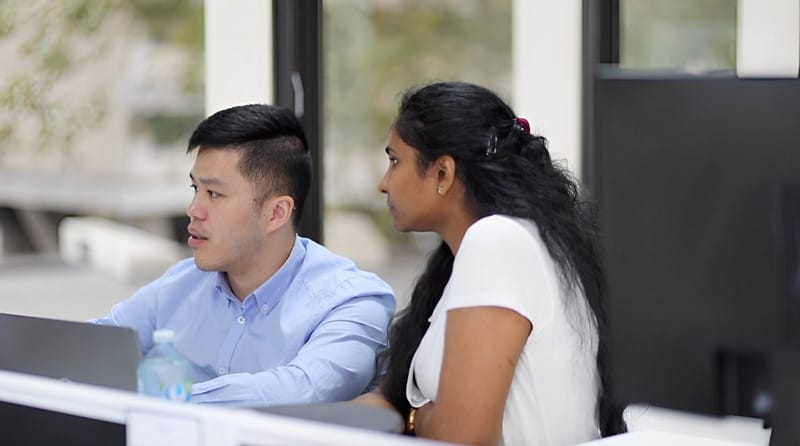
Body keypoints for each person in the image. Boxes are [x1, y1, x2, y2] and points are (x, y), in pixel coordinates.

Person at [354, 82, 626, 445]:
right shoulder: (477, 251)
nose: (383, 184)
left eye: (394, 160)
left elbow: (463, 437)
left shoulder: (499, 242)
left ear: (442, 174)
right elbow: (396, 402)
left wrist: (414, 415)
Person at [94, 104, 396, 405]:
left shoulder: (353, 301)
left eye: (213, 194)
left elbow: (304, 391)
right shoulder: (179, 285)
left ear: (276, 213)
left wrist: (163, 398)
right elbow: (88, 350)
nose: (193, 210)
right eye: (194, 188)